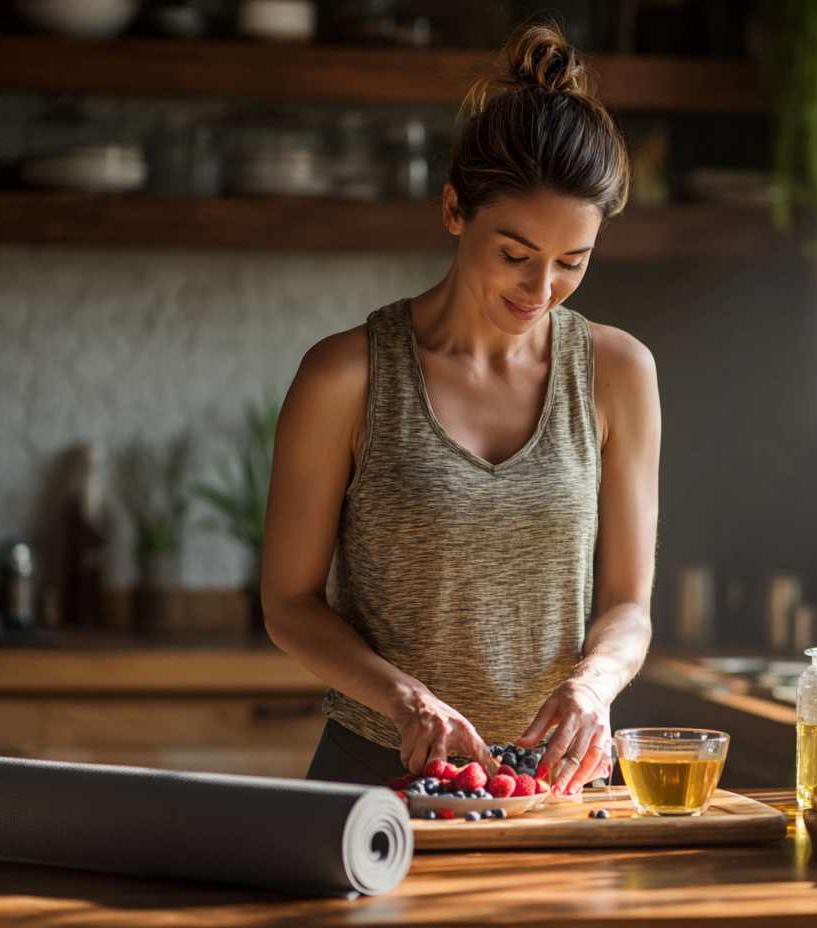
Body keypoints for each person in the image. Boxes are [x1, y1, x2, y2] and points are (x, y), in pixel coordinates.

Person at [260, 22, 660, 798]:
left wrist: (595, 685)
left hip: (554, 788)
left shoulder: (617, 373)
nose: (539, 290)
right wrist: (406, 699)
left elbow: (627, 605)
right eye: (515, 254)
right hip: (377, 778)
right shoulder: (345, 375)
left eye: (571, 263)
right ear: (453, 209)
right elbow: (288, 602)